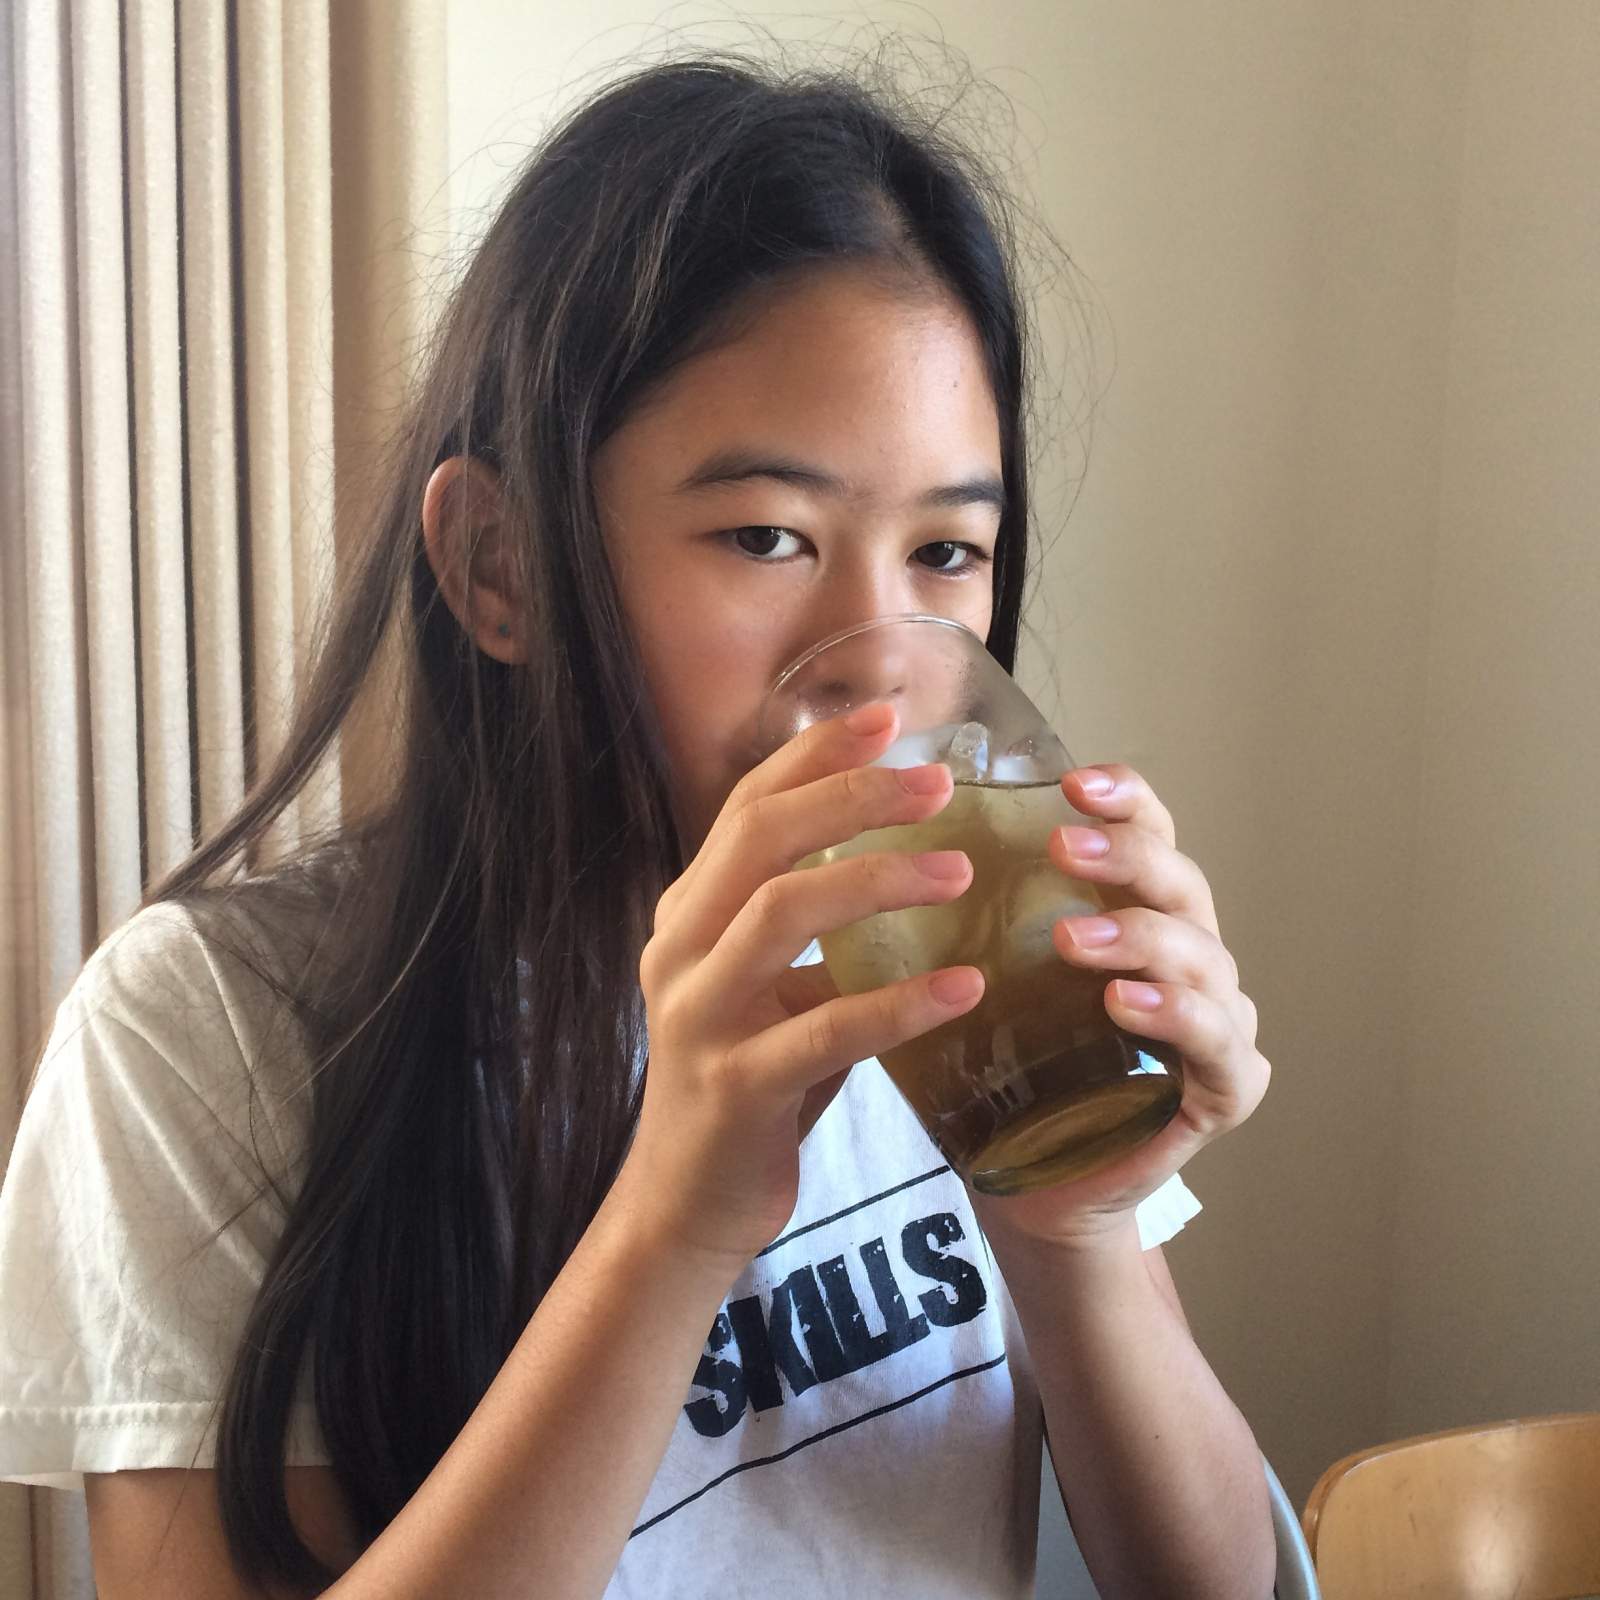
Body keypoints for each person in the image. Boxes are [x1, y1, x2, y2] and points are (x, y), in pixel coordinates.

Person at [0, 50, 1275, 1600]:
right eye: (767, 536)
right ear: (500, 567)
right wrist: (673, 1225)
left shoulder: (971, 958)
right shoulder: (210, 1028)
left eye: (947, 552)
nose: (879, 665)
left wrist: (1077, 1234)